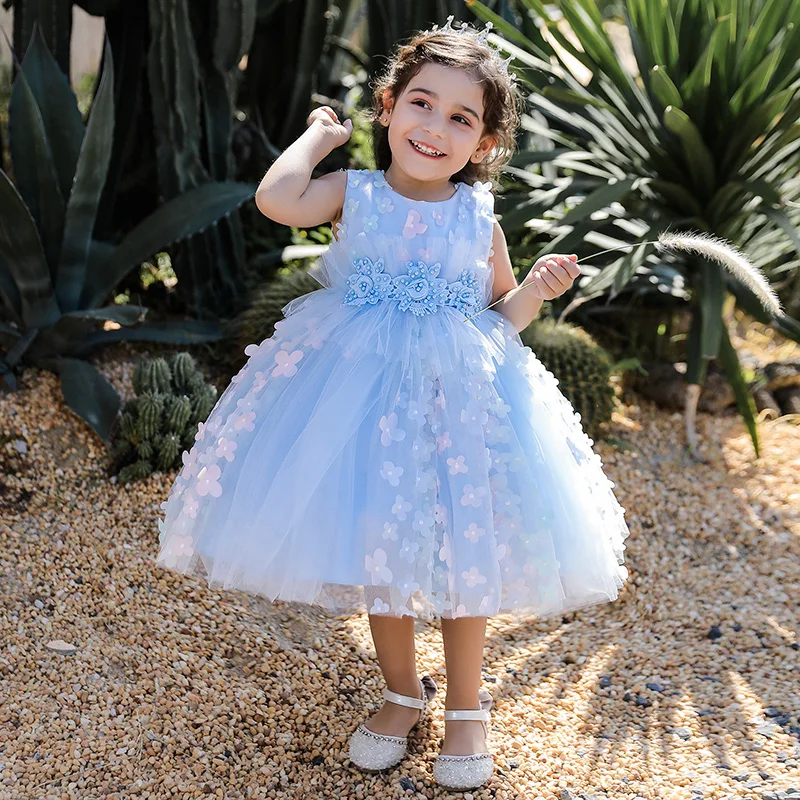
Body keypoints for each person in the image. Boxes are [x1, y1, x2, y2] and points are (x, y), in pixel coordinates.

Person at [155, 15, 630, 792]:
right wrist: (317, 139)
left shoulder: (480, 217)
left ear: (483, 146)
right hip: (365, 407)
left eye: (460, 118)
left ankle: (469, 707)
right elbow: (277, 201)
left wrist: (536, 293)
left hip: (460, 411)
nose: (434, 127)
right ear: (387, 106)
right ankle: (402, 692)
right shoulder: (358, 193)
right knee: (383, 547)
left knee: (465, 549)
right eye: (421, 103)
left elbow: (497, 319)